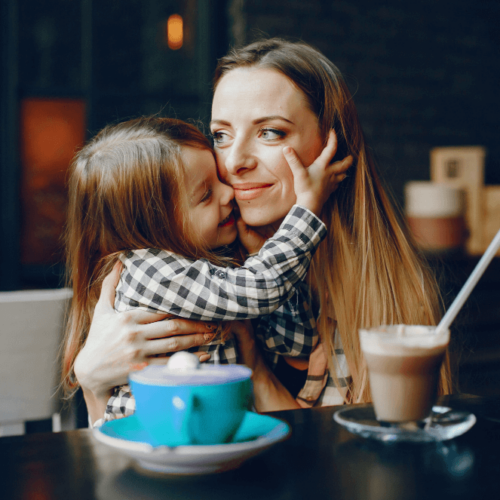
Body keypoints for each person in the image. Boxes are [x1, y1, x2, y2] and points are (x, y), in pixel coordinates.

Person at [72, 38, 452, 424]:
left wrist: (255, 362)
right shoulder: (198, 256)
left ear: (330, 147)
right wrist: (91, 382)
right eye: (220, 135)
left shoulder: (378, 290)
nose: (235, 162)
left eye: (270, 132)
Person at [61, 116, 350, 425]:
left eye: (219, 181)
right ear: (155, 227)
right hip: (152, 441)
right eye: (206, 195)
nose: (229, 194)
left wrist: (258, 255)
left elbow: (296, 341)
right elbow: (262, 289)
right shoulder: (152, 272)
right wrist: (306, 207)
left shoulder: (212, 266)